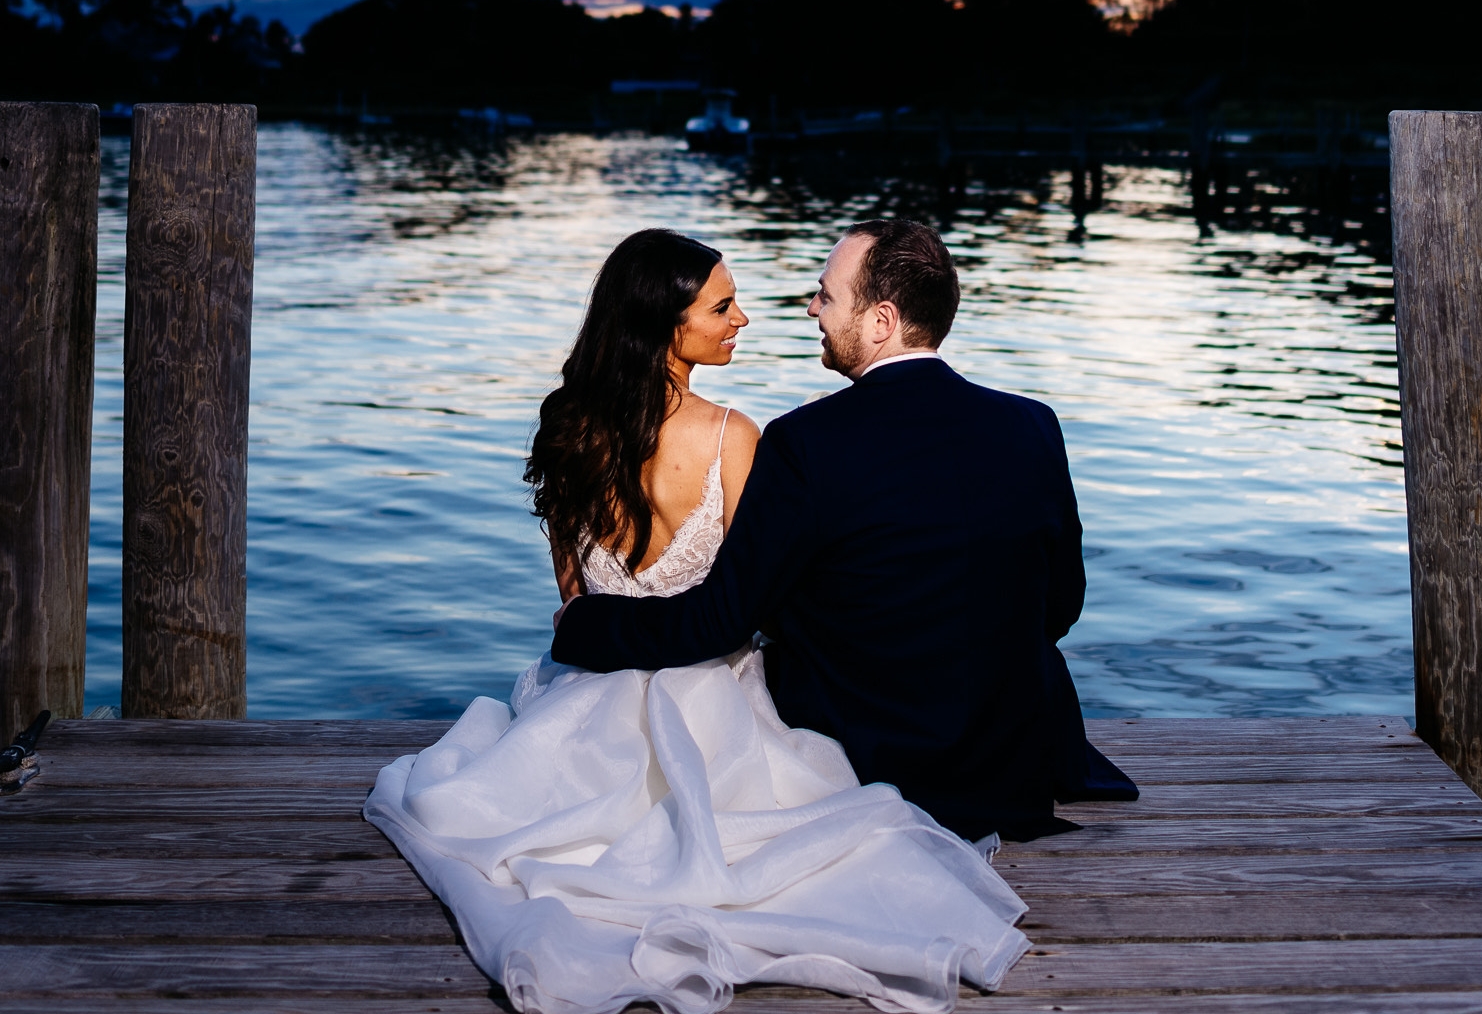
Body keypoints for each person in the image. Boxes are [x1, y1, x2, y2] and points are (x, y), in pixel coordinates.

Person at [364, 228, 1031, 1014]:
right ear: (666, 325)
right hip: (715, 700)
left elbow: (574, 596)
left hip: (584, 688)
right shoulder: (735, 439)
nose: (744, 317)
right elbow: (756, 603)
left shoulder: (567, 428)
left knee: (506, 819)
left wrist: (586, 634)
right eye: (722, 305)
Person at [551, 218, 1135, 839]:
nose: (812, 309)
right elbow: (1060, 608)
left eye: (827, 296)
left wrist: (585, 621)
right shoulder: (1034, 426)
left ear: (880, 322)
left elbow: (719, 622)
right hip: (1007, 765)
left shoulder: (805, 442)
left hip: (869, 764)